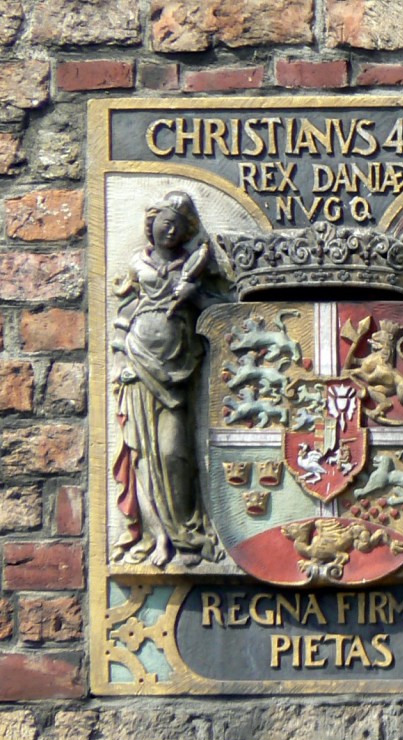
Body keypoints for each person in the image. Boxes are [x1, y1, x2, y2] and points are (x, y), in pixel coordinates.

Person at [111, 191, 224, 567]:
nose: (170, 230)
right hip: (139, 362)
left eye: (178, 225)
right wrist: (119, 360)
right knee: (143, 454)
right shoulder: (136, 264)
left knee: (174, 452)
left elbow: (222, 311)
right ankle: (161, 536)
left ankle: (188, 532)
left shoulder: (194, 265)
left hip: (178, 369)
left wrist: (194, 296)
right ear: (152, 221)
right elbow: (124, 313)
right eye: (165, 221)